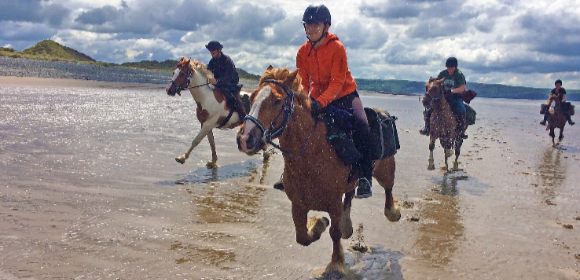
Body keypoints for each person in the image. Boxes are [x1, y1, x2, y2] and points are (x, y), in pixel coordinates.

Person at [295, 4, 373, 198]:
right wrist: (303, 102)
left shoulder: (337, 48)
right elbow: (304, 83)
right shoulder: (301, 53)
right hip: (318, 96)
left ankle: (365, 177)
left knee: (362, 124)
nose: (311, 29)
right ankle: (292, 171)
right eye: (308, 25)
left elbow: (337, 82)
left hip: (345, 94)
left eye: (316, 24)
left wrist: (320, 103)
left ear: (326, 26)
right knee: (298, 124)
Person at [419, 57, 468, 139]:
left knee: (462, 109)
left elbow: (462, 88)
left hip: (455, 96)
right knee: (429, 109)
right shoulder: (442, 74)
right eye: (448, 68)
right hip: (443, 95)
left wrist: (452, 91)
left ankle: (462, 130)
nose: (449, 69)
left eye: (451, 68)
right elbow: (436, 83)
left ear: (455, 67)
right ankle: (427, 127)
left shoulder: (459, 75)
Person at [205, 40, 244, 117]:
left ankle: (243, 116)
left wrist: (217, 81)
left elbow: (229, 77)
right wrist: (208, 77)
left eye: (213, 50)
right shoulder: (212, 61)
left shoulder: (227, 60)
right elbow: (208, 71)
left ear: (219, 50)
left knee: (234, 98)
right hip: (219, 84)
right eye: (210, 50)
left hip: (231, 83)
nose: (211, 51)